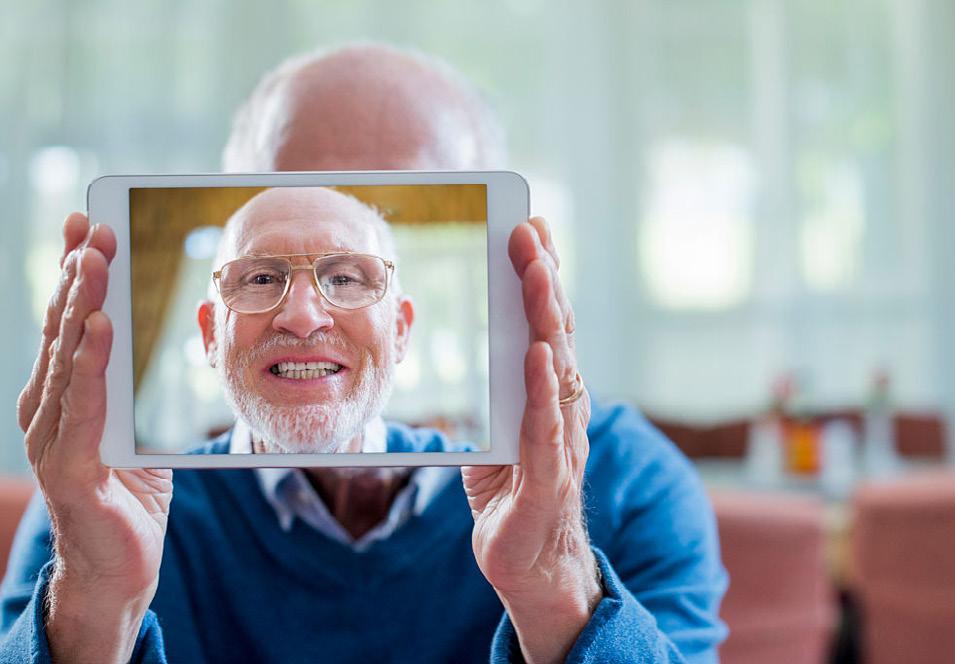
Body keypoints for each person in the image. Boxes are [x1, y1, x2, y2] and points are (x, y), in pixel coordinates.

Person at [3, 44, 727, 663]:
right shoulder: (100, 500)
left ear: (404, 323)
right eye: (264, 272)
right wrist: (93, 613)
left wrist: (555, 581)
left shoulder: (625, 475)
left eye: (350, 273)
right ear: (210, 329)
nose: (304, 312)